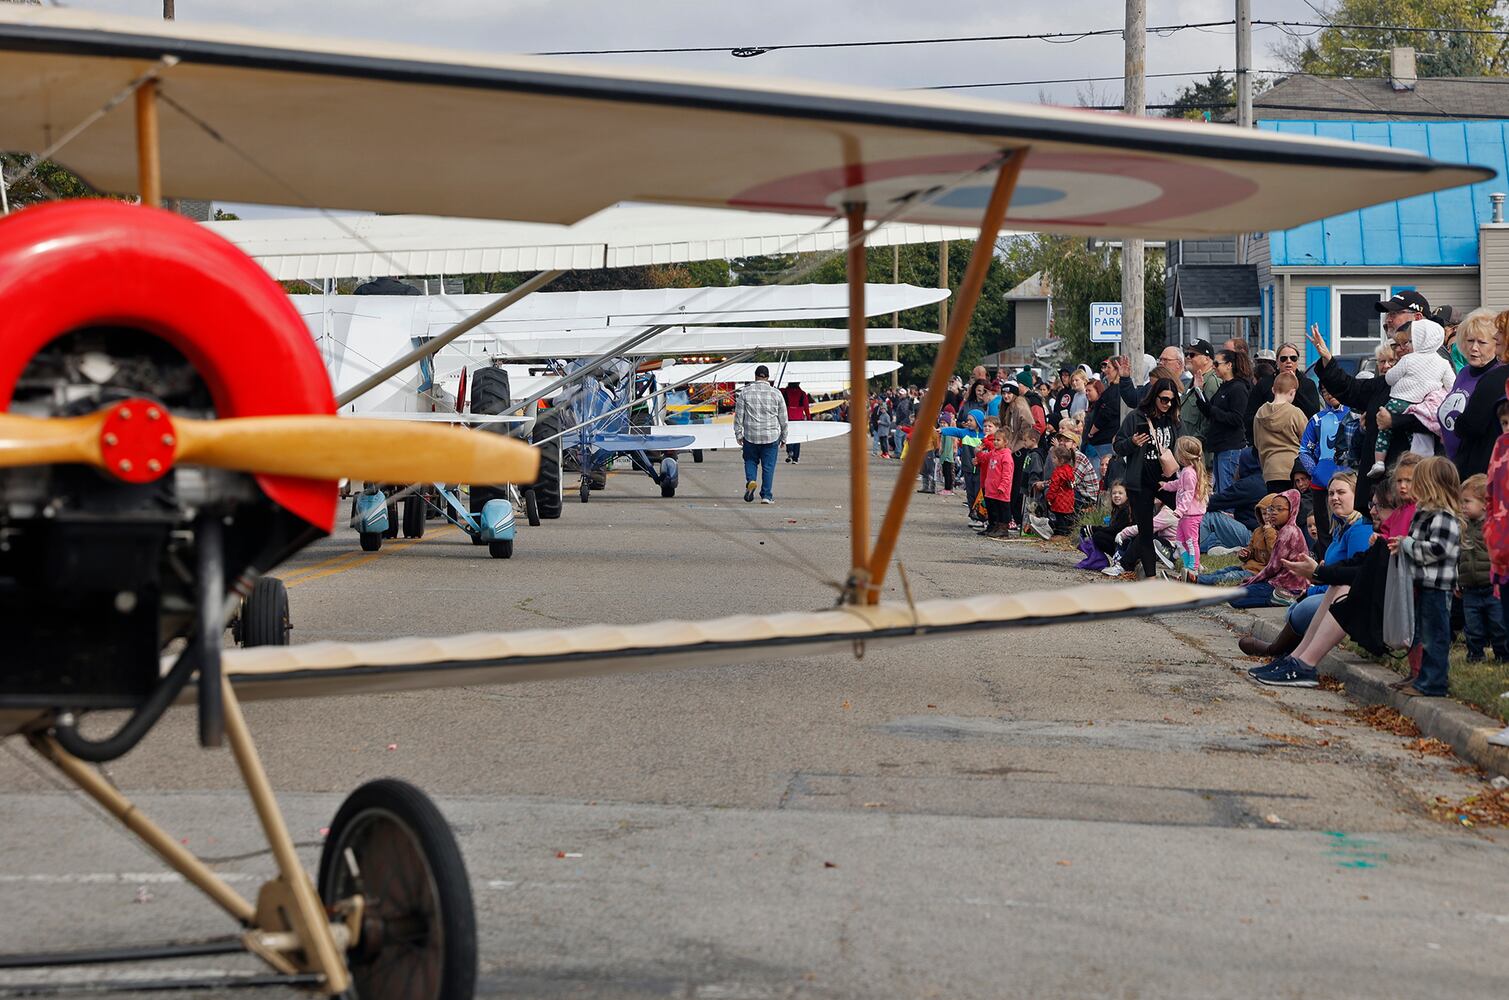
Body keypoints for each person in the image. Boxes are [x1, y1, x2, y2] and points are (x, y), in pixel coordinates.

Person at [1390, 456, 1462, 697]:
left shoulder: (1443, 516)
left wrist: (1409, 544)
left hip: (1437, 586)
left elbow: (1439, 550)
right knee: (1421, 633)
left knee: (1435, 636)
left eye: (1417, 481)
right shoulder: (1425, 513)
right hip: (1422, 582)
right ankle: (1420, 676)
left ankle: (1434, 683)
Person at [1112, 377, 1180, 578]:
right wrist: (1132, 442)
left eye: (1171, 400)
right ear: (1154, 397)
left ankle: (1184, 559)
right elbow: (1118, 445)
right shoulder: (1136, 417)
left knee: (1186, 514)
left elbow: (1183, 444)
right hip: (1140, 480)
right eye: (1163, 399)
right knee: (1145, 529)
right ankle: (1150, 576)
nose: (1167, 404)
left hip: (1166, 479)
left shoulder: (1174, 420)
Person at [1372, 317, 1454, 478]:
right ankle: (1422, 463)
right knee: (1419, 435)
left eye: (1409, 341)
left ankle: (1379, 462)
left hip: (1398, 401)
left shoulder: (1408, 360)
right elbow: (1452, 387)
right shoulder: (1443, 363)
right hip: (1423, 407)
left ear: (1419, 340)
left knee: (1384, 429)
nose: (1406, 346)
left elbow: (1390, 378)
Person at [1437, 308, 1509, 479]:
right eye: (1470, 341)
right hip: (1455, 462)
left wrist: (1459, 425)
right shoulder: (1463, 373)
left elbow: (1471, 424)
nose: (1474, 348)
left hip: (1481, 469)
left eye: (1482, 342)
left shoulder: (1496, 377)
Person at [1300, 387, 1357, 555]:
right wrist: (1315, 471)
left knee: (1351, 522)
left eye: (1332, 388)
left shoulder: (1355, 414)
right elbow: (1304, 450)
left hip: (1350, 480)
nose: (1330, 393)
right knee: (1324, 528)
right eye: (1325, 391)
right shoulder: (1317, 419)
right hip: (1321, 483)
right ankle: (1326, 567)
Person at [1457, 473, 1508, 662]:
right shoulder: (1462, 527)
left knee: (1498, 624)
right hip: (1470, 588)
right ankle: (1475, 654)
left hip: (1491, 587)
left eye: (1467, 501)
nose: (1463, 506)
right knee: (1472, 626)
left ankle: (1503, 654)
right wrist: (1458, 580)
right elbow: (1458, 557)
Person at [1232, 489, 1309, 608]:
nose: (1273, 513)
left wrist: (1253, 580)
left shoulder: (1288, 531)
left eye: (1280, 509)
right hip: (1280, 581)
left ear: (1292, 511)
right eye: (1272, 509)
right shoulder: (1284, 529)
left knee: (1235, 598)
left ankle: (1284, 599)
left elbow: (1273, 567)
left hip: (1289, 586)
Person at [1196, 348, 1252, 493]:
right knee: (1220, 490)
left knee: (1227, 490)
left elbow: (1237, 418)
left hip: (1231, 447)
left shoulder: (1238, 388)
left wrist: (1213, 410)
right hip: (1220, 446)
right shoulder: (1224, 387)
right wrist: (1199, 392)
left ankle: (1228, 516)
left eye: (1217, 363)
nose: (1213, 366)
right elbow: (1210, 411)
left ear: (1229, 365)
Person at [1199, 493, 1280, 586]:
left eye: (1269, 513)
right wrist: (1246, 554)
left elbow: (1274, 552)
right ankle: (1200, 578)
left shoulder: (1279, 533)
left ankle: (1199, 580)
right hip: (1248, 567)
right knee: (1225, 570)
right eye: (1263, 513)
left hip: (1258, 573)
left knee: (1229, 576)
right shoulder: (1258, 531)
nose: (1266, 517)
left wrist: (1269, 531)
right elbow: (1251, 549)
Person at [735, 364, 787, 504]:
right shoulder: (776, 393)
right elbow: (783, 418)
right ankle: (766, 496)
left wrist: (738, 434)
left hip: (751, 436)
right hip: (771, 436)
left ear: (755, 377)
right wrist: (784, 437)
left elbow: (739, 416)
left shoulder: (745, 392)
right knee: (768, 467)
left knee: (750, 461)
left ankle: (751, 480)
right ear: (768, 378)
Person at [1161, 437, 1211, 580]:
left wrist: (1180, 510)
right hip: (1186, 515)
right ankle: (1187, 564)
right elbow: (1179, 484)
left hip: (1190, 515)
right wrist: (1165, 486)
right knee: (1180, 541)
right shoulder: (1187, 471)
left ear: (1183, 454)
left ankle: (1193, 568)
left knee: (1190, 541)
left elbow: (1188, 494)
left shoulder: (1189, 472)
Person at [1254, 371, 1307, 493]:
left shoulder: (1259, 413)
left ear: (1273, 390)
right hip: (1294, 469)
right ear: (1293, 392)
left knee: (1276, 509)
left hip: (1270, 469)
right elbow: (1307, 440)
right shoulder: (1295, 412)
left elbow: (1257, 443)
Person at [977, 426, 1015, 539]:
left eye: (998, 440)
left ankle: (1003, 529)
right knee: (992, 509)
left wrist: (1003, 486)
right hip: (991, 488)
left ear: (1005, 442)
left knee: (1002, 510)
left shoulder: (1006, 456)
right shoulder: (993, 453)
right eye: (995, 440)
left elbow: (1007, 474)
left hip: (1000, 490)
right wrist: (978, 453)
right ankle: (993, 526)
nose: (995, 442)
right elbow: (984, 457)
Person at [781, 381, 812, 464]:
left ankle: (790, 451)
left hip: (788, 416)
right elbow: (806, 407)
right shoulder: (802, 393)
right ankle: (795, 458)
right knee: (797, 437)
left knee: (788, 435)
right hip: (799, 417)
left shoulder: (784, 392)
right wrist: (809, 418)